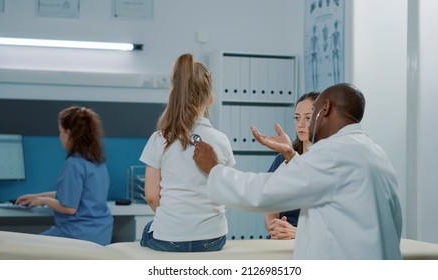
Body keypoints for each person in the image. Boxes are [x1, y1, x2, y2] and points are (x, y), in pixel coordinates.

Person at [193, 83, 403, 259]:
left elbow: (263, 192)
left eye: (311, 116)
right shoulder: (376, 153)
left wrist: (215, 169)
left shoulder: (331, 153)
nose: (305, 124)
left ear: (325, 108)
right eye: (298, 117)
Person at [139, 53, 235, 252]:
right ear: (210, 98)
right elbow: (227, 190)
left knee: (148, 229)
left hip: (170, 238)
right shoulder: (221, 140)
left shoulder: (159, 139)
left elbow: (150, 196)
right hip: (213, 238)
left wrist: (173, 223)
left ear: (174, 94)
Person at [16, 106, 113, 246]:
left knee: (23, 249)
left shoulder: (74, 163)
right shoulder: (97, 161)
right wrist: (36, 196)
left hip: (76, 235)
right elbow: (75, 194)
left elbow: (69, 207)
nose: (59, 136)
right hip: (100, 234)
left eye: (60, 132)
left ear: (69, 133)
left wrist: (43, 200)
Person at [265, 91, 319, 240]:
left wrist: (298, 233)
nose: (300, 124)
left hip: (311, 239)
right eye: (297, 118)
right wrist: (275, 228)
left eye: (308, 118)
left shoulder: (329, 162)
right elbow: (270, 210)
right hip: (279, 238)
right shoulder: (280, 160)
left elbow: (334, 223)